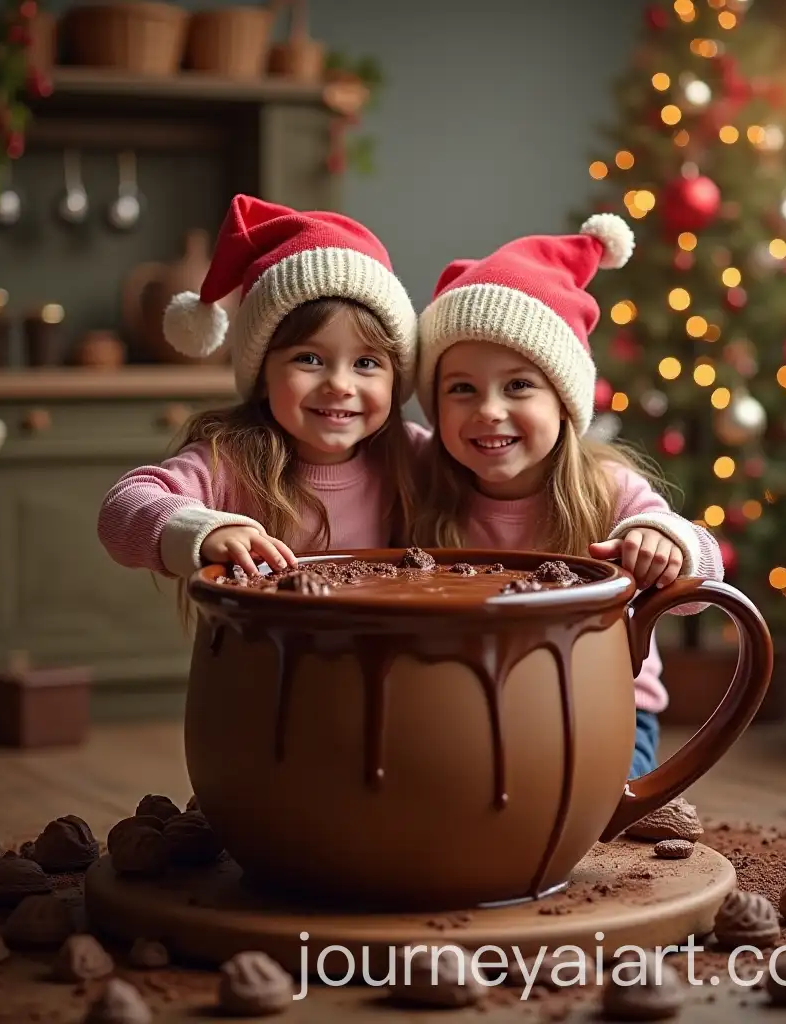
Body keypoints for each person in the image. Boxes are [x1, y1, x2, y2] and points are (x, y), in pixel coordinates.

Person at [411, 213, 724, 779]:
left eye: (519, 386)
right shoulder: (424, 482)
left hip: (599, 711)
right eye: (461, 389)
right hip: (464, 710)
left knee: (578, 808)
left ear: (564, 401)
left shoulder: (605, 490)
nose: (488, 410)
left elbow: (703, 581)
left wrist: (664, 538)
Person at [97, 194, 423, 583]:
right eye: (309, 359)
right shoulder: (229, 462)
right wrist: (206, 531)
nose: (339, 384)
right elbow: (121, 510)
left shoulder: (409, 455)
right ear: (263, 374)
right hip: (255, 645)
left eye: (365, 363)